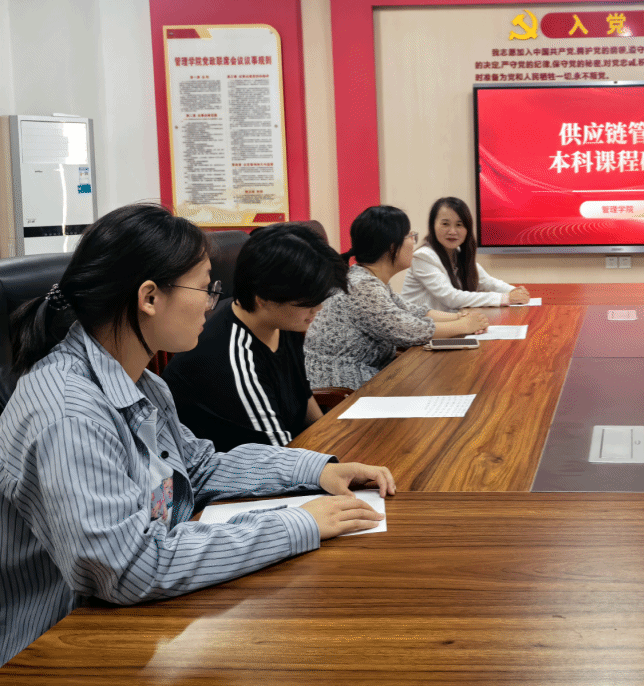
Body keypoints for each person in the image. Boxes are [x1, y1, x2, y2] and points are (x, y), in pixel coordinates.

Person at [0, 204, 392, 665]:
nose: (213, 302)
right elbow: (129, 567)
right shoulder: (69, 414)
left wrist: (316, 470)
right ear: (149, 298)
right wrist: (296, 524)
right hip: (62, 647)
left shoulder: (142, 382)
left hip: (137, 621)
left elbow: (199, 466)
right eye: (206, 288)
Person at [163, 223, 348, 452]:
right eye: (307, 303)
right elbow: (280, 459)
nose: (317, 309)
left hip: (292, 451)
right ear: (264, 299)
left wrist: (331, 437)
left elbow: (303, 395)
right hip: (250, 466)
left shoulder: (279, 322)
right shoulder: (233, 360)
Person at [304, 205, 490, 390]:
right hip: (344, 385)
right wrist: (464, 325)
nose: (413, 242)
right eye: (410, 236)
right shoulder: (361, 286)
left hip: (370, 375)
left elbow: (411, 311)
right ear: (392, 247)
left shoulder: (369, 279)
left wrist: (459, 317)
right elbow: (408, 330)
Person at [402, 196, 529, 311]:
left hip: (447, 323)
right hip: (421, 327)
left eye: (459, 225)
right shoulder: (423, 257)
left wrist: (514, 291)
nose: (452, 231)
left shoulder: (457, 253)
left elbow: (487, 282)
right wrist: (505, 298)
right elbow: (451, 297)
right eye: (445, 224)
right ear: (432, 225)